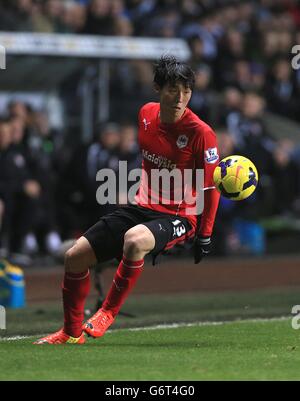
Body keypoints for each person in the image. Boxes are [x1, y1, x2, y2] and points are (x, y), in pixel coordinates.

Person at [34, 55, 220, 345]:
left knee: (134, 241)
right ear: (158, 88)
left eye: (187, 90)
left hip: (180, 216)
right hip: (140, 207)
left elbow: (211, 189)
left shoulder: (201, 133)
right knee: (74, 257)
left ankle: (107, 311)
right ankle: (70, 333)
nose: (181, 97)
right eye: (173, 89)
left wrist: (205, 235)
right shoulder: (145, 114)